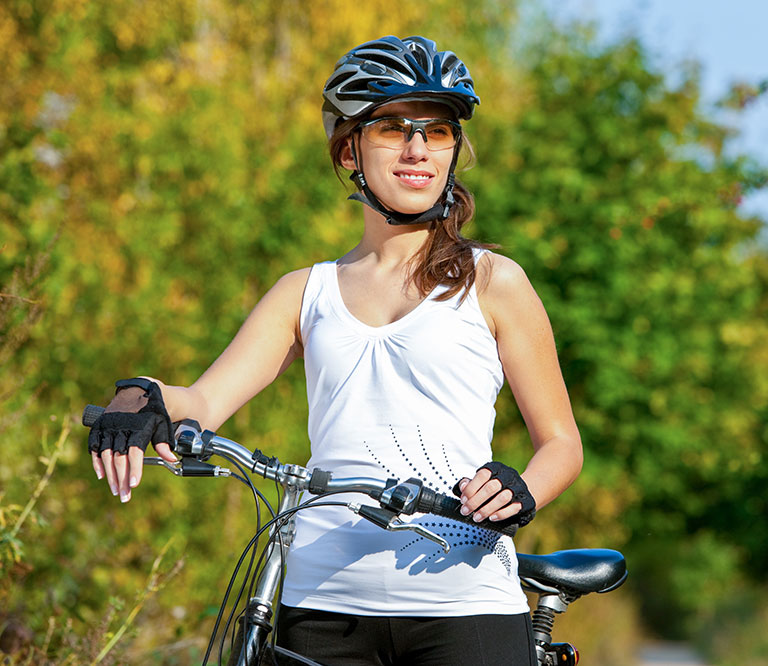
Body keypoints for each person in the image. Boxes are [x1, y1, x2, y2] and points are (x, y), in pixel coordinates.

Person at [87, 35, 582, 665]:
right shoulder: (305, 292)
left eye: (437, 132)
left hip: (462, 603)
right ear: (350, 148)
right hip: (321, 604)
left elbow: (562, 443)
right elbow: (205, 400)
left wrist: (520, 489)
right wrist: (141, 396)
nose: (417, 150)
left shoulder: (493, 282)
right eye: (393, 128)